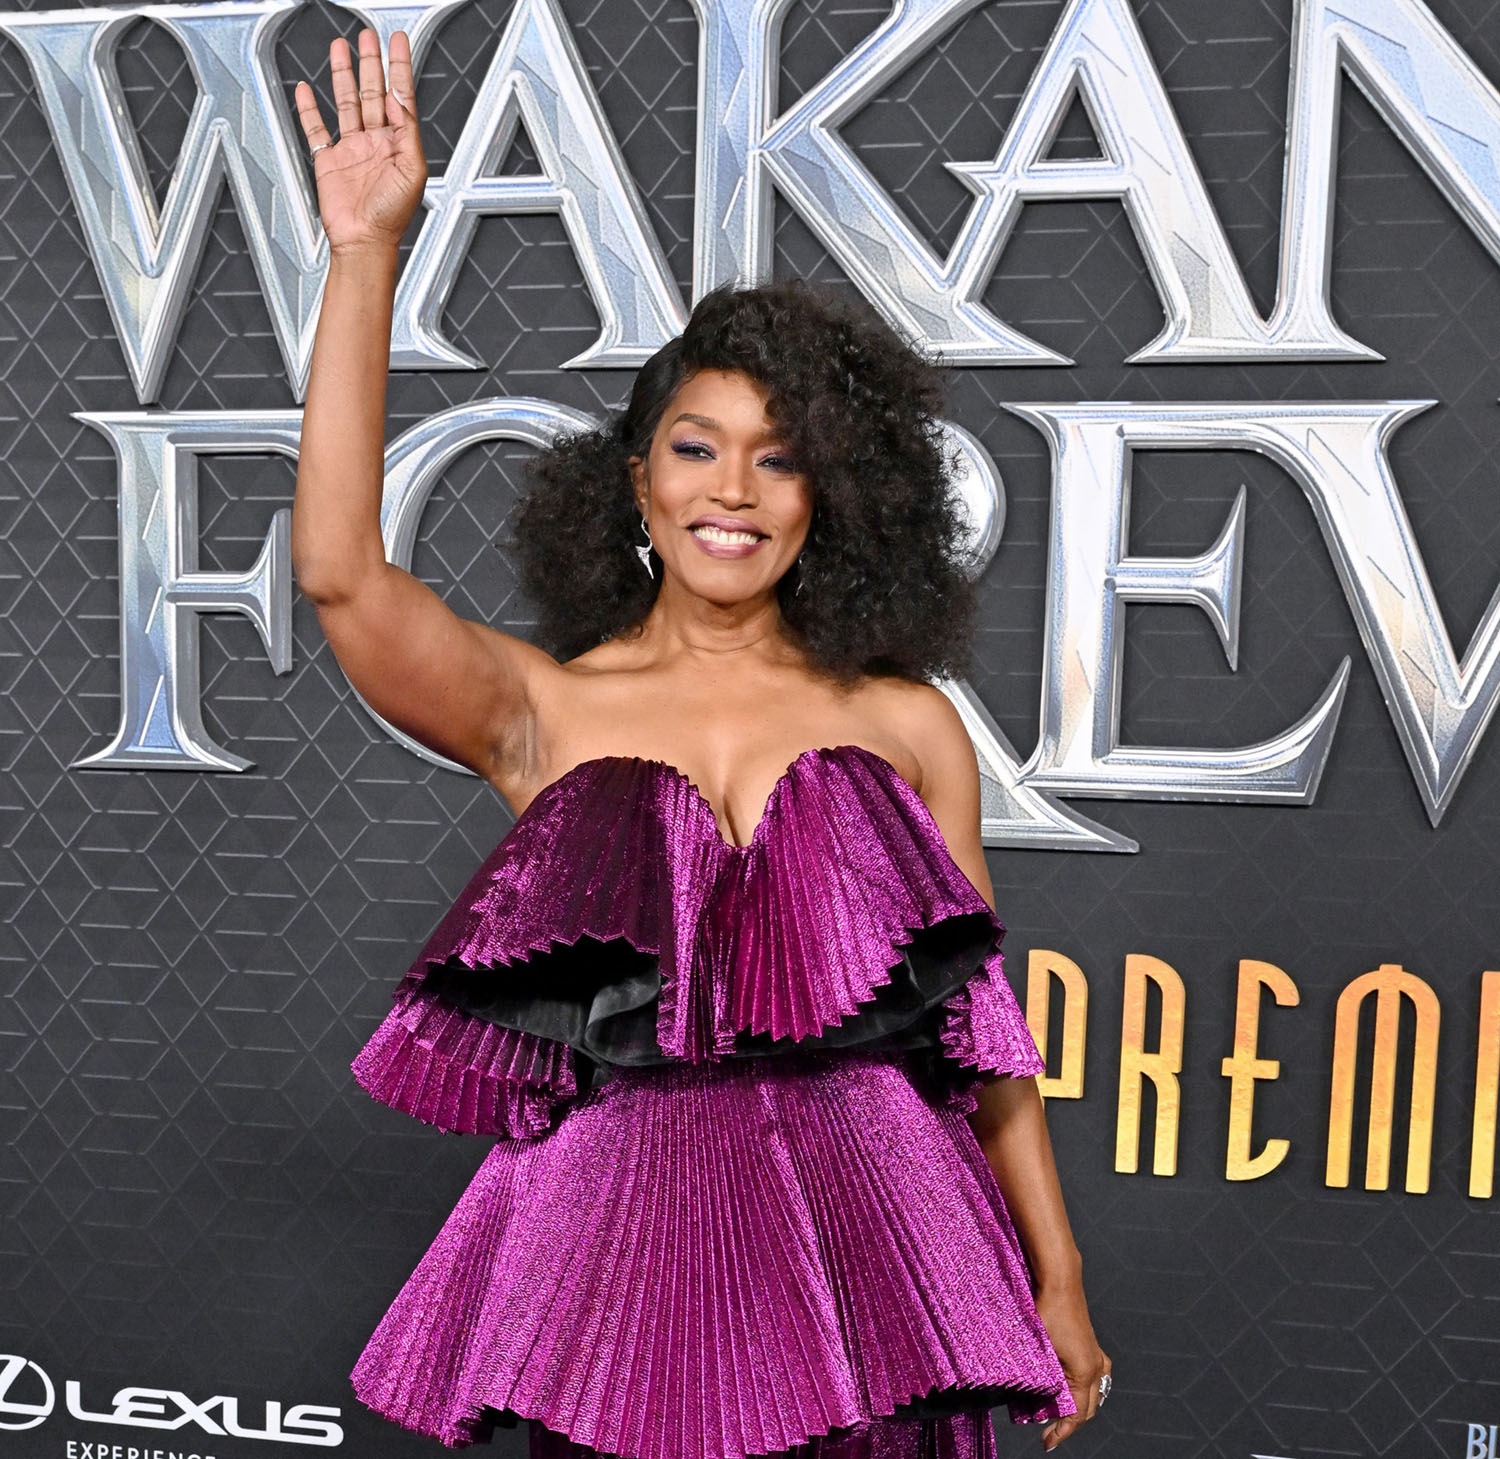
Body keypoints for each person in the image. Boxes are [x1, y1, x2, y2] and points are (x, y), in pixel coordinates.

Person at [290, 27, 1111, 1459]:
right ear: (635, 479)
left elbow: (980, 1040)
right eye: (696, 445)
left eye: (779, 457)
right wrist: (365, 256)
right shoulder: (546, 709)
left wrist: (1059, 1271)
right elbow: (343, 579)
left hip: (878, 1262)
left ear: (826, 499)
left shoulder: (906, 724)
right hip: (615, 1277)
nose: (734, 488)